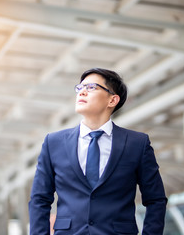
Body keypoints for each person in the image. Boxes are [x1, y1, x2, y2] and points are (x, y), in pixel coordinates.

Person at [29, 68, 167, 235]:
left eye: (91, 87)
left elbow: (155, 200)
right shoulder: (54, 143)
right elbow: (39, 199)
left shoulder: (137, 144)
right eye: (79, 88)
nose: (82, 92)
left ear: (112, 100)